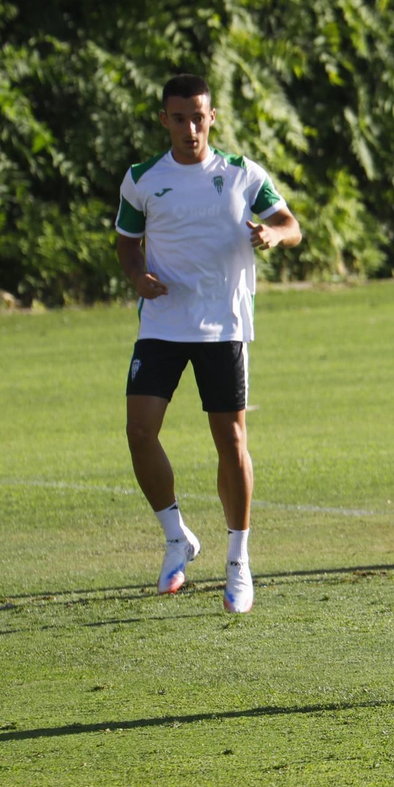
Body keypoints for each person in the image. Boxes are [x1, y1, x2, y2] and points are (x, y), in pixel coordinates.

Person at [114, 73, 302, 614]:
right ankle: (177, 538)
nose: (190, 128)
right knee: (139, 432)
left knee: (231, 440)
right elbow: (126, 242)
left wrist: (273, 234)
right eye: (179, 118)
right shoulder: (142, 179)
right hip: (163, 323)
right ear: (164, 120)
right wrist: (137, 276)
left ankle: (239, 562)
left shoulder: (242, 173)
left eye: (198, 117)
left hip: (223, 325)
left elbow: (290, 224)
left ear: (212, 117)